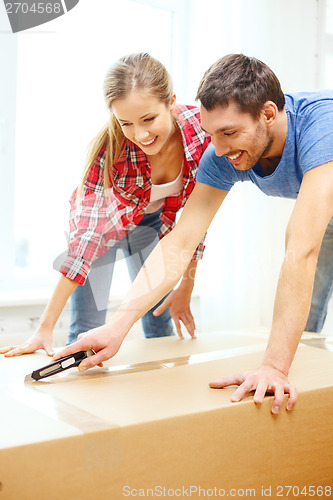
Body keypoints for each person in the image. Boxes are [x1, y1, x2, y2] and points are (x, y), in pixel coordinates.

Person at [48, 53, 333, 415]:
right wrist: (118, 325)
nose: (219, 148)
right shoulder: (222, 153)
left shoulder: (322, 125)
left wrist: (273, 367)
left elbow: (301, 245)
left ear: (268, 114)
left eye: (229, 133)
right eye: (211, 133)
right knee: (305, 333)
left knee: (301, 257)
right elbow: (182, 239)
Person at [0, 52, 210, 356]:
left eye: (149, 119)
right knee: (87, 326)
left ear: (171, 102)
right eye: (126, 122)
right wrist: (45, 328)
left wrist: (185, 288)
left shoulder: (201, 135)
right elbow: (85, 242)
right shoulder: (110, 152)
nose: (140, 135)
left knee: (157, 319)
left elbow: (197, 223)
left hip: (153, 228)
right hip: (104, 230)